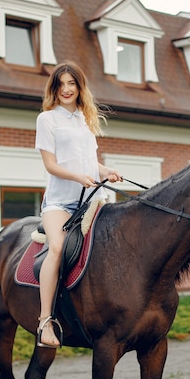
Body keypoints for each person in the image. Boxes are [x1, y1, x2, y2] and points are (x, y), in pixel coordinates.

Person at [35, 61, 122, 348]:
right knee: (57, 247)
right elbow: (51, 165)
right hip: (60, 202)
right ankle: (46, 321)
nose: (66, 89)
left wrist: (105, 171)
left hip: (92, 200)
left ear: (79, 86)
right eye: (61, 84)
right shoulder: (47, 120)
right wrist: (77, 176)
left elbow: (89, 162)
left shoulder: (85, 120)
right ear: (54, 89)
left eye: (72, 83)